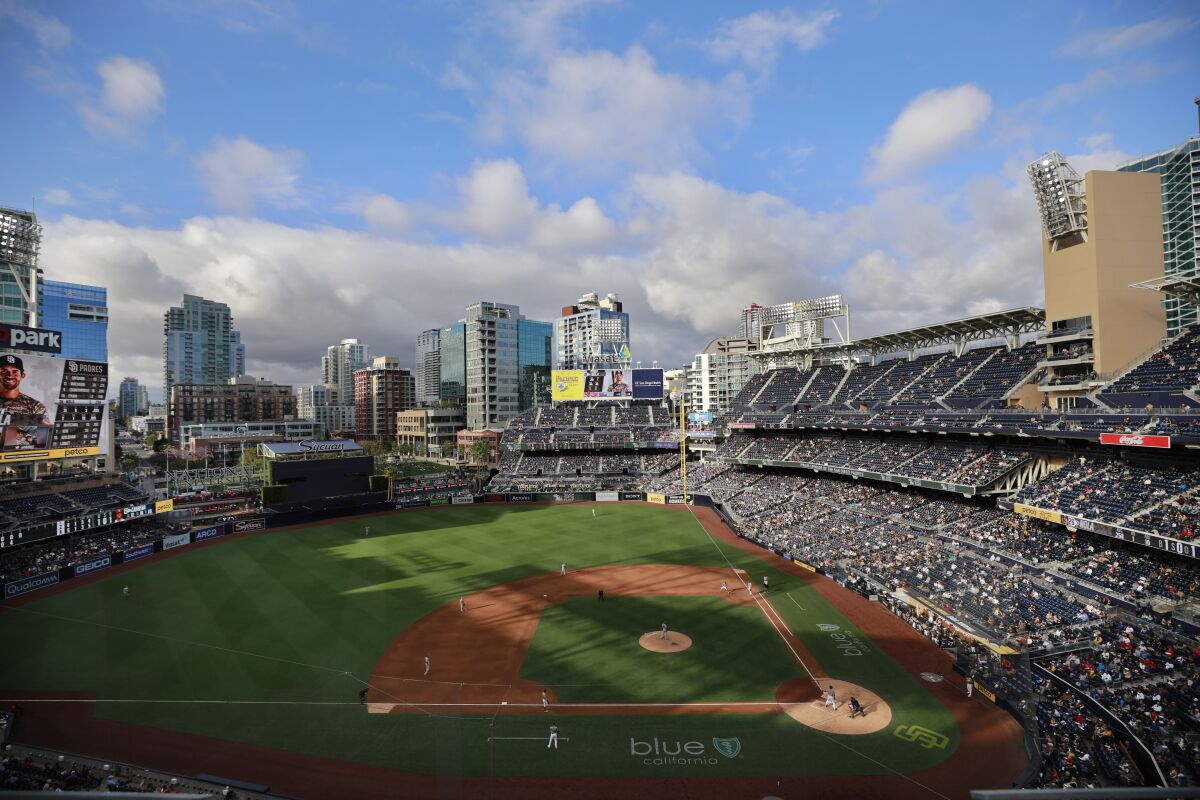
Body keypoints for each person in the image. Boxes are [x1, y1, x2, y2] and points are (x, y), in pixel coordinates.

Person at [0, 355, 50, 426]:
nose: (10, 375)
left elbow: (44, 432)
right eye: (4, 371)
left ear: (22, 375)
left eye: (15, 371)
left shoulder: (35, 406)